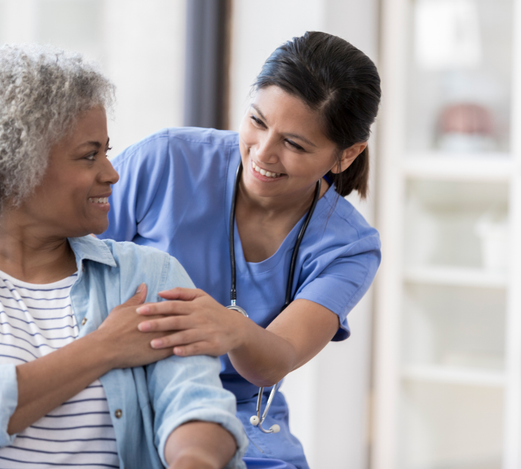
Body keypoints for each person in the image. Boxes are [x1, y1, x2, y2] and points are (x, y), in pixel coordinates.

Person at [99, 31, 382, 469]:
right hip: (119, 383)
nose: (263, 153)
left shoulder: (349, 246)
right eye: (257, 121)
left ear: (346, 155)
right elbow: (65, 260)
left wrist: (234, 329)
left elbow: (276, 361)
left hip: (240, 414)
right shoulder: (169, 160)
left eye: (294, 144)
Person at [0, 44, 247, 469]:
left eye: (107, 150)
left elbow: (194, 400)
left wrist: (195, 460)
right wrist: (103, 348)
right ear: (14, 171)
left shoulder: (147, 275)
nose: (112, 173)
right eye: (89, 155)